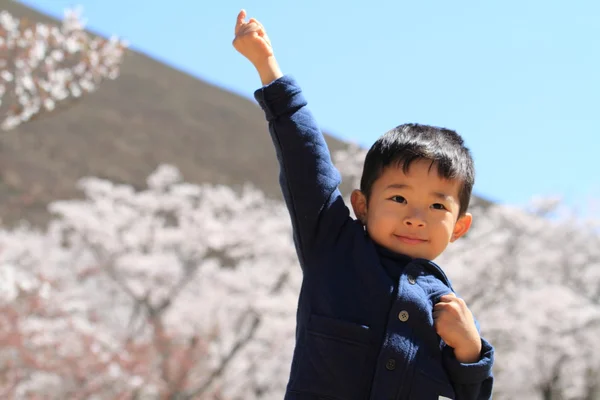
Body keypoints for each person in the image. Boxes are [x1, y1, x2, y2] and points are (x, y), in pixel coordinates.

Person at [233, 9, 494, 400]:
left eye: (438, 207)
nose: (416, 217)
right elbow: (307, 165)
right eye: (399, 197)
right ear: (362, 205)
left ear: (459, 227)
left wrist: (470, 350)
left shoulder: (445, 306)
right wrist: (268, 69)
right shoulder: (333, 246)